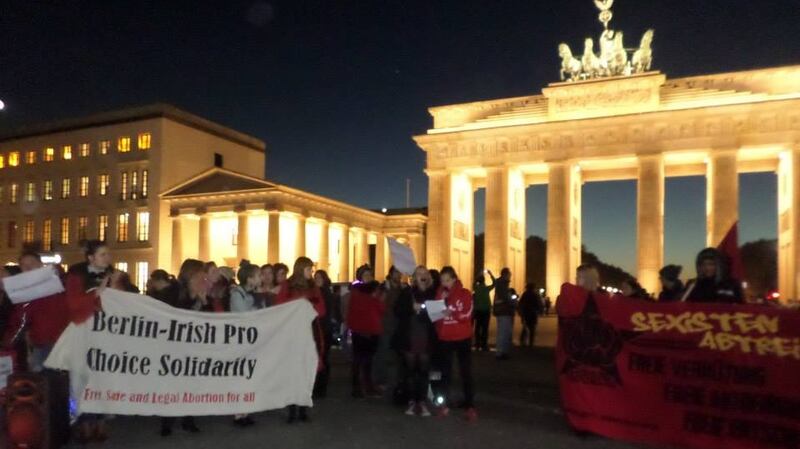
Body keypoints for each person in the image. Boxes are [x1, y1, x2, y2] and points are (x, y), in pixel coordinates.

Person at [65, 240, 120, 443]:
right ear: (91, 257)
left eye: (108, 254)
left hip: (105, 334)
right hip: (83, 332)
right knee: (82, 378)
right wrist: (97, 293)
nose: (108, 258)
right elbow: (72, 303)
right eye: (103, 254)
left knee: (103, 377)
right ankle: (84, 423)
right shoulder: (77, 276)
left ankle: (102, 422)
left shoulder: (112, 275)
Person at [159, 259, 208, 436]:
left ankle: (189, 419)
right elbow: (173, 314)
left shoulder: (201, 291)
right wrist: (195, 300)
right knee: (172, 384)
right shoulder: (175, 290)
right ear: (192, 274)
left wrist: (203, 301)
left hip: (193, 345)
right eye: (201, 273)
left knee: (191, 384)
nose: (204, 277)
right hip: (174, 345)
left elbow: (209, 320)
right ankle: (167, 421)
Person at [275, 257, 326, 423]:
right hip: (292, 332)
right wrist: (298, 304)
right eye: (308, 269)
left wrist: (309, 305)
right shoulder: (288, 285)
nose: (310, 273)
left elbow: (321, 310)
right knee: (292, 372)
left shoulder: (313, 287)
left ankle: (303, 409)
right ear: (300, 269)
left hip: (309, 331)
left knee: (306, 371)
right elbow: (280, 306)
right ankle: (292, 410)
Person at [3, 252, 70, 372]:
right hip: (42, 344)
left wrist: (58, 272)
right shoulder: (24, 293)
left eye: (31, 264)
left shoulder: (59, 282)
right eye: (24, 265)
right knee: (41, 383)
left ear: (40, 265)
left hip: (63, 343)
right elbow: (20, 320)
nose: (28, 268)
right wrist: (7, 344)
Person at [392, 266, 437, 417]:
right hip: (410, 335)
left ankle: (422, 401)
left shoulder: (433, 293)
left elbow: (438, 313)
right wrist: (411, 308)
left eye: (424, 273)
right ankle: (412, 401)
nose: (422, 276)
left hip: (426, 335)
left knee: (423, 371)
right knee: (410, 371)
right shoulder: (408, 292)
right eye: (419, 273)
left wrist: (425, 310)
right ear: (414, 277)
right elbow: (397, 311)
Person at [434, 266, 477, 422]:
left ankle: (470, 406)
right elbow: (435, 316)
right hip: (445, 338)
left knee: (466, 372)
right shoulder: (439, 294)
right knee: (445, 373)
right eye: (442, 281)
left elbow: (467, 314)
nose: (444, 283)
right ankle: (443, 405)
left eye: (447, 280)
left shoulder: (465, 294)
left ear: (454, 279)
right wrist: (440, 304)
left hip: (462, 338)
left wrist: (453, 312)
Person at [229, 260, 262, 427]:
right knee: (240, 377)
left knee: (249, 376)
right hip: (239, 340)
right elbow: (242, 314)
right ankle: (238, 413)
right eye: (257, 276)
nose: (260, 278)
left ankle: (246, 411)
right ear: (249, 279)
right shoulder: (237, 294)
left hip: (250, 340)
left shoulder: (252, 294)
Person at [347, 264, 385, 399]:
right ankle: (357, 387)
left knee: (369, 360)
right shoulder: (356, 292)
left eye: (370, 275)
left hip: (373, 329)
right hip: (360, 330)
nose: (368, 278)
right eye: (366, 275)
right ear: (360, 278)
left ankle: (368, 386)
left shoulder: (376, 291)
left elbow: (381, 309)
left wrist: (377, 299)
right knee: (358, 360)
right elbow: (355, 311)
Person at [373, 266, 403, 390]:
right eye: (396, 272)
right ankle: (381, 380)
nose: (399, 275)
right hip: (385, 324)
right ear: (391, 274)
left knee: (399, 355)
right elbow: (378, 304)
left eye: (399, 273)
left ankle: (398, 381)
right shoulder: (383, 288)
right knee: (383, 353)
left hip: (399, 325)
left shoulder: (402, 288)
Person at [313, 269, 336, 398]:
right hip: (317, 328)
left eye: (319, 277)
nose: (317, 280)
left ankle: (321, 387)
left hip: (324, 329)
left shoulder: (326, 293)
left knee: (323, 358)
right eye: (315, 277)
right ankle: (318, 386)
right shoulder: (315, 292)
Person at [492, 268, 515, 360]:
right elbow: (505, 298)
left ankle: (503, 351)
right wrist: (513, 302)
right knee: (503, 332)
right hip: (504, 311)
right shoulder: (502, 284)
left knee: (505, 332)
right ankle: (500, 352)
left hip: (504, 311)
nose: (510, 276)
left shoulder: (502, 284)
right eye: (510, 274)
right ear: (505, 274)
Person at [472, 270, 495, 351]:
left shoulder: (476, 288)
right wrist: (490, 274)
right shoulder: (486, 288)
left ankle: (477, 343)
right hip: (486, 311)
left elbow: (474, 283)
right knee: (485, 328)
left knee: (477, 327)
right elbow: (494, 283)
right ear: (484, 281)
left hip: (478, 311)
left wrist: (478, 274)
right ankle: (484, 344)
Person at [517, 283, 543, 347]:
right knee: (532, 329)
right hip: (533, 313)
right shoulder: (536, 294)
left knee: (525, 328)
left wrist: (520, 312)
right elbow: (539, 304)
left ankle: (522, 341)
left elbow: (520, 303)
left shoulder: (525, 294)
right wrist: (540, 311)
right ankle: (531, 343)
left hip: (525, 313)